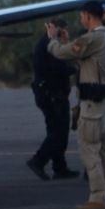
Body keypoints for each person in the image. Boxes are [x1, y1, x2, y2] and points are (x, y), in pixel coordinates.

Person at [47, 4, 105, 209]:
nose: (80, 19)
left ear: (88, 16)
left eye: (82, 16)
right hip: (103, 103)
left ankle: (97, 197)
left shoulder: (93, 38)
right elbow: (80, 57)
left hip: (92, 105)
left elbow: (62, 53)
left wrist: (52, 40)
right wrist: (67, 41)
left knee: (89, 150)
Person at [25, 18, 77, 180]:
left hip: (52, 94)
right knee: (58, 132)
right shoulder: (50, 45)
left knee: (56, 130)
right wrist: (76, 69)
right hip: (51, 95)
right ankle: (38, 160)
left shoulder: (50, 44)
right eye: (63, 30)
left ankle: (59, 167)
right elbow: (57, 69)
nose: (66, 34)